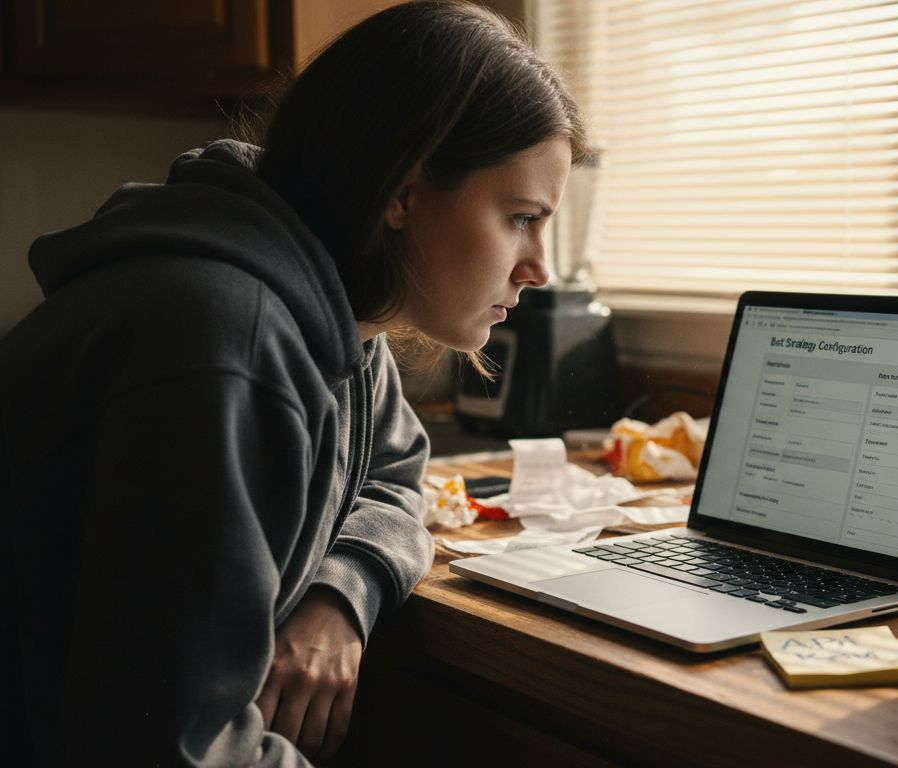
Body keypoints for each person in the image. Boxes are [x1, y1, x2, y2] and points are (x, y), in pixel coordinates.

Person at [0, 1, 585, 764]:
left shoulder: (343, 314)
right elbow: (164, 747)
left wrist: (342, 591)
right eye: (521, 217)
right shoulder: (227, 343)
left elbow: (395, 472)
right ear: (405, 193)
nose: (540, 265)